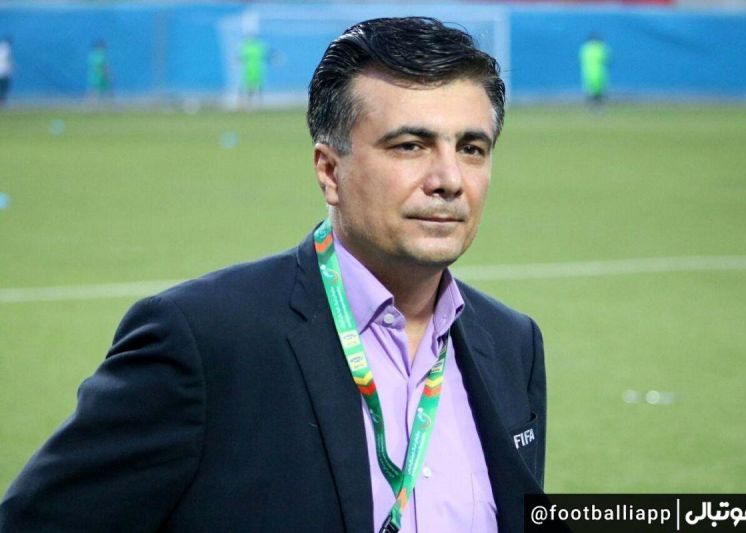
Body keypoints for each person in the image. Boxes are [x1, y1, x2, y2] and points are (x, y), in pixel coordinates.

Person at [0, 17, 546, 533]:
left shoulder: (512, 343)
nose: (449, 179)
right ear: (329, 171)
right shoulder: (204, 341)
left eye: (472, 149)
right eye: (410, 146)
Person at [579, 33, 611, 109]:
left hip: (587, 72)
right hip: (600, 72)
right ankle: (598, 106)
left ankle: (592, 106)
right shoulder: (601, 47)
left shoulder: (585, 48)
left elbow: (581, 59)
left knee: (590, 90)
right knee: (600, 90)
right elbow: (607, 59)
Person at [239, 34, 268, 110]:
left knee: (259, 87)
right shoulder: (246, 48)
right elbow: (241, 58)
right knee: (250, 87)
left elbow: (265, 56)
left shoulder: (258, 47)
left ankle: (259, 104)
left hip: (258, 69)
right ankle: (249, 104)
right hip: (249, 69)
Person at [0, 37, 12, 106]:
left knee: (3, 87)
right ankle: (2, 100)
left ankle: (2, 100)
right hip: (4, 72)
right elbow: (6, 61)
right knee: (4, 87)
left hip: (3, 72)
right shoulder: (6, 49)